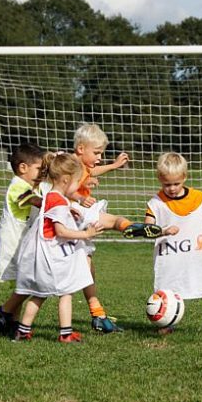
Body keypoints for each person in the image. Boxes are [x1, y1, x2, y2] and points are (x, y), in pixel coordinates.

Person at [70, 123, 162, 333]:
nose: (99, 157)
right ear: (81, 148)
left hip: (78, 215)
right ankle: (132, 227)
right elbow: (63, 182)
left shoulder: (81, 165)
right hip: (72, 216)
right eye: (97, 152)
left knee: (88, 269)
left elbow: (91, 170)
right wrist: (79, 190)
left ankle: (98, 315)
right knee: (110, 224)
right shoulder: (70, 163)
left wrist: (111, 166)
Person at [142, 152, 202, 336]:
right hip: (170, 257)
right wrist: (162, 231)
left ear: (184, 177)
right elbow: (148, 227)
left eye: (176, 183)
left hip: (196, 256)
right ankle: (167, 323)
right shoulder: (156, 203)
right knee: (168, 290)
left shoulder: (198, 197)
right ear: (159, 179)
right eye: (167, 184)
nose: (171, 188)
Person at [12, 153, 101, 343]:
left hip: (40, 255)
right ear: (66, 180)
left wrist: (69, 210)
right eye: (78, 182)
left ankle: (22, 330)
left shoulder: (50, 196)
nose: (79, 187)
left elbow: (51, 216)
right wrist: (86, 234)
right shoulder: (59, 201)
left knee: (39, 294)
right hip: (51, 256)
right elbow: (60, 231)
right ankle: (65, 333)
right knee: (66, 292)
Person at [0, 143, 47, 336]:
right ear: (23, 168)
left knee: (22, 283)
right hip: (13, 244)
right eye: (39, 168)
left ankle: (10, 323)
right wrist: (53, 204)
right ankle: (3, 311)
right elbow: (32, 201)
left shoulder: (30, 185)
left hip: (22, 243)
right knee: (27, 282)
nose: (42, 173)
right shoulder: (18, 185)